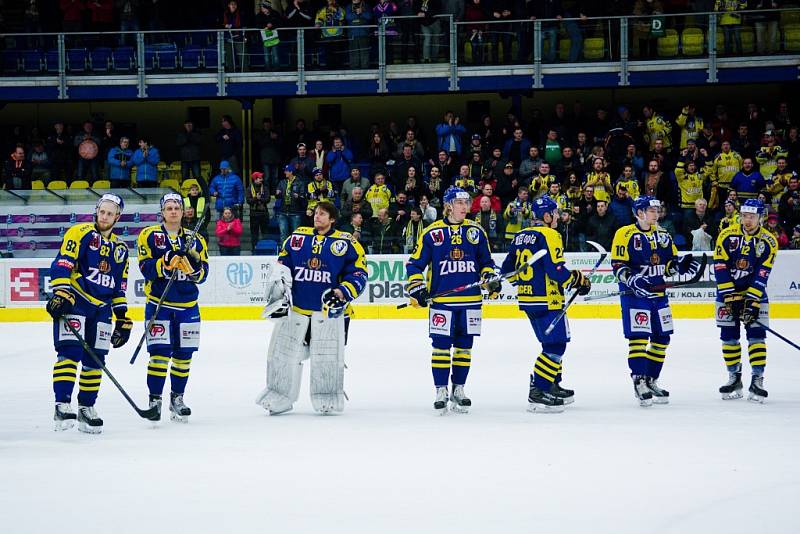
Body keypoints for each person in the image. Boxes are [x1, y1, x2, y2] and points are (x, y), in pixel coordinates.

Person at [256, 201, 367, 415]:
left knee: (326, 356)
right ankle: (280, 393)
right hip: (297, 311)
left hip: (329, 313)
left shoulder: (347, 242)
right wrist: (280, 285)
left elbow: (359, 273)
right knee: (284, 354)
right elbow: (283, 263)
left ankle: (327, 395)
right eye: (316, 213)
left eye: (323, 214)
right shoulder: (298, 237)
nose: (317, 217)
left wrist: (343, 291)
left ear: (332, 219)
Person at [405, 186, 500, 413]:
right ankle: (441, 390)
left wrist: (490, 278)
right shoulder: (432, 233)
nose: (464, 206)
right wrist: (417, 287)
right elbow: (414, 264)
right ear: (448, 205)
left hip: (471, 301)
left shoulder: (476, 231)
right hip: (442, 302)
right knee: (440, 347)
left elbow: (487, 263)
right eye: (459, 202)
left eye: (467, 202)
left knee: (464, 347)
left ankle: (459, 388)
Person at [48, 193, 132, 433]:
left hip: (103, 310)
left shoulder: (121, 249)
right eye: (102, 211)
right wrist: (61, 293)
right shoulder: (80, 232)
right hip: (77, 301)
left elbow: (119, 286)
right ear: (97, 211)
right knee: (69, 353)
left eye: (110, 213)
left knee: (96, 360)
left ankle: (86, 408)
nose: (105, 217)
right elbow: (63, 262)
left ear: (118, 217)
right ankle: (62, 404)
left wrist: (123, 317)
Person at [610, 196, 703, 407]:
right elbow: (618, 265)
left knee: (662, 339)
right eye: (652, 210)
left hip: (659, 294)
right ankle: (639, 380)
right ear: (639, 212)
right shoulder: (624, 234)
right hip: (636, 296)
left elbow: (668, 264)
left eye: (657, 209)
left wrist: (679, 265)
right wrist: (632, 279)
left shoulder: (663, 234)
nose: (656, 213)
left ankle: (651, 379)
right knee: (639, 339)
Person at [501, 196, 591, 412]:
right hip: (547, 300)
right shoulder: (550, 234)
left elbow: (506, 270)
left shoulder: (520, 235)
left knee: (550, 343)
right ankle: (538, 390)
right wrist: (578, 280)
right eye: (556, 213)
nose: (558, 216)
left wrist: (523, 285)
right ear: (547, 216)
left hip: (528, 299)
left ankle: (552, 383)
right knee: (556, 345)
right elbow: (556, 270)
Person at [137, 193, 209, 422]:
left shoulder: (196, 239)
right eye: (168, 208)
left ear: (183, 211)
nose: (173, 211)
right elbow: (145, 267)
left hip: (188, 307)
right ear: (162, 212)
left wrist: (193, 269)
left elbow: (204, 272)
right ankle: (155, 400)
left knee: (183, 356)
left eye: (177, 207)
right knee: (159, 355)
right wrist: (166, 260)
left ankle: (177, 398)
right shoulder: (148, 235)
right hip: (160, 304)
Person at [713, 199, 777, 402]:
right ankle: (734, 377)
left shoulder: (769, 241)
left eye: (752, 216)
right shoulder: (726, 235)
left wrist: (751, 302)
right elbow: (720, 267)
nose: (747, 220)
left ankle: (757, 379)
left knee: (757, 336)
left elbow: (762, 273)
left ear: (761, 217)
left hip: (755, 294)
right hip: (727, 293)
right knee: (729, 337)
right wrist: (730, 297)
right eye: (744, 216)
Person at [275, 164, 307, 242]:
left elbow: (304, 198)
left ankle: (295, 253)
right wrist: (277, 193)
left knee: (296, 235)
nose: (284, 172)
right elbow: (277, 196)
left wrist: (298, 196)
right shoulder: (282, 182)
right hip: (283, 212)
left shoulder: (300, 183)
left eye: (286, 171)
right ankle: (284, 252)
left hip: (295, 212)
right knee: (283, 234)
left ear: (291, 172)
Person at [247, 171, 271, 252]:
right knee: (254, 234)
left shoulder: (265, 188)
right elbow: (248, 201)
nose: (262, 179)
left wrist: (260, 199)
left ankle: (266, 249)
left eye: (261, 178)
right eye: (260, 178)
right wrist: (256, 198)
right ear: (255, 179)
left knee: (265, 233)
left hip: (264, 214)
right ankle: (254, 249)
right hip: (254, 214)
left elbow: (268, 199)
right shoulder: (249, 188)